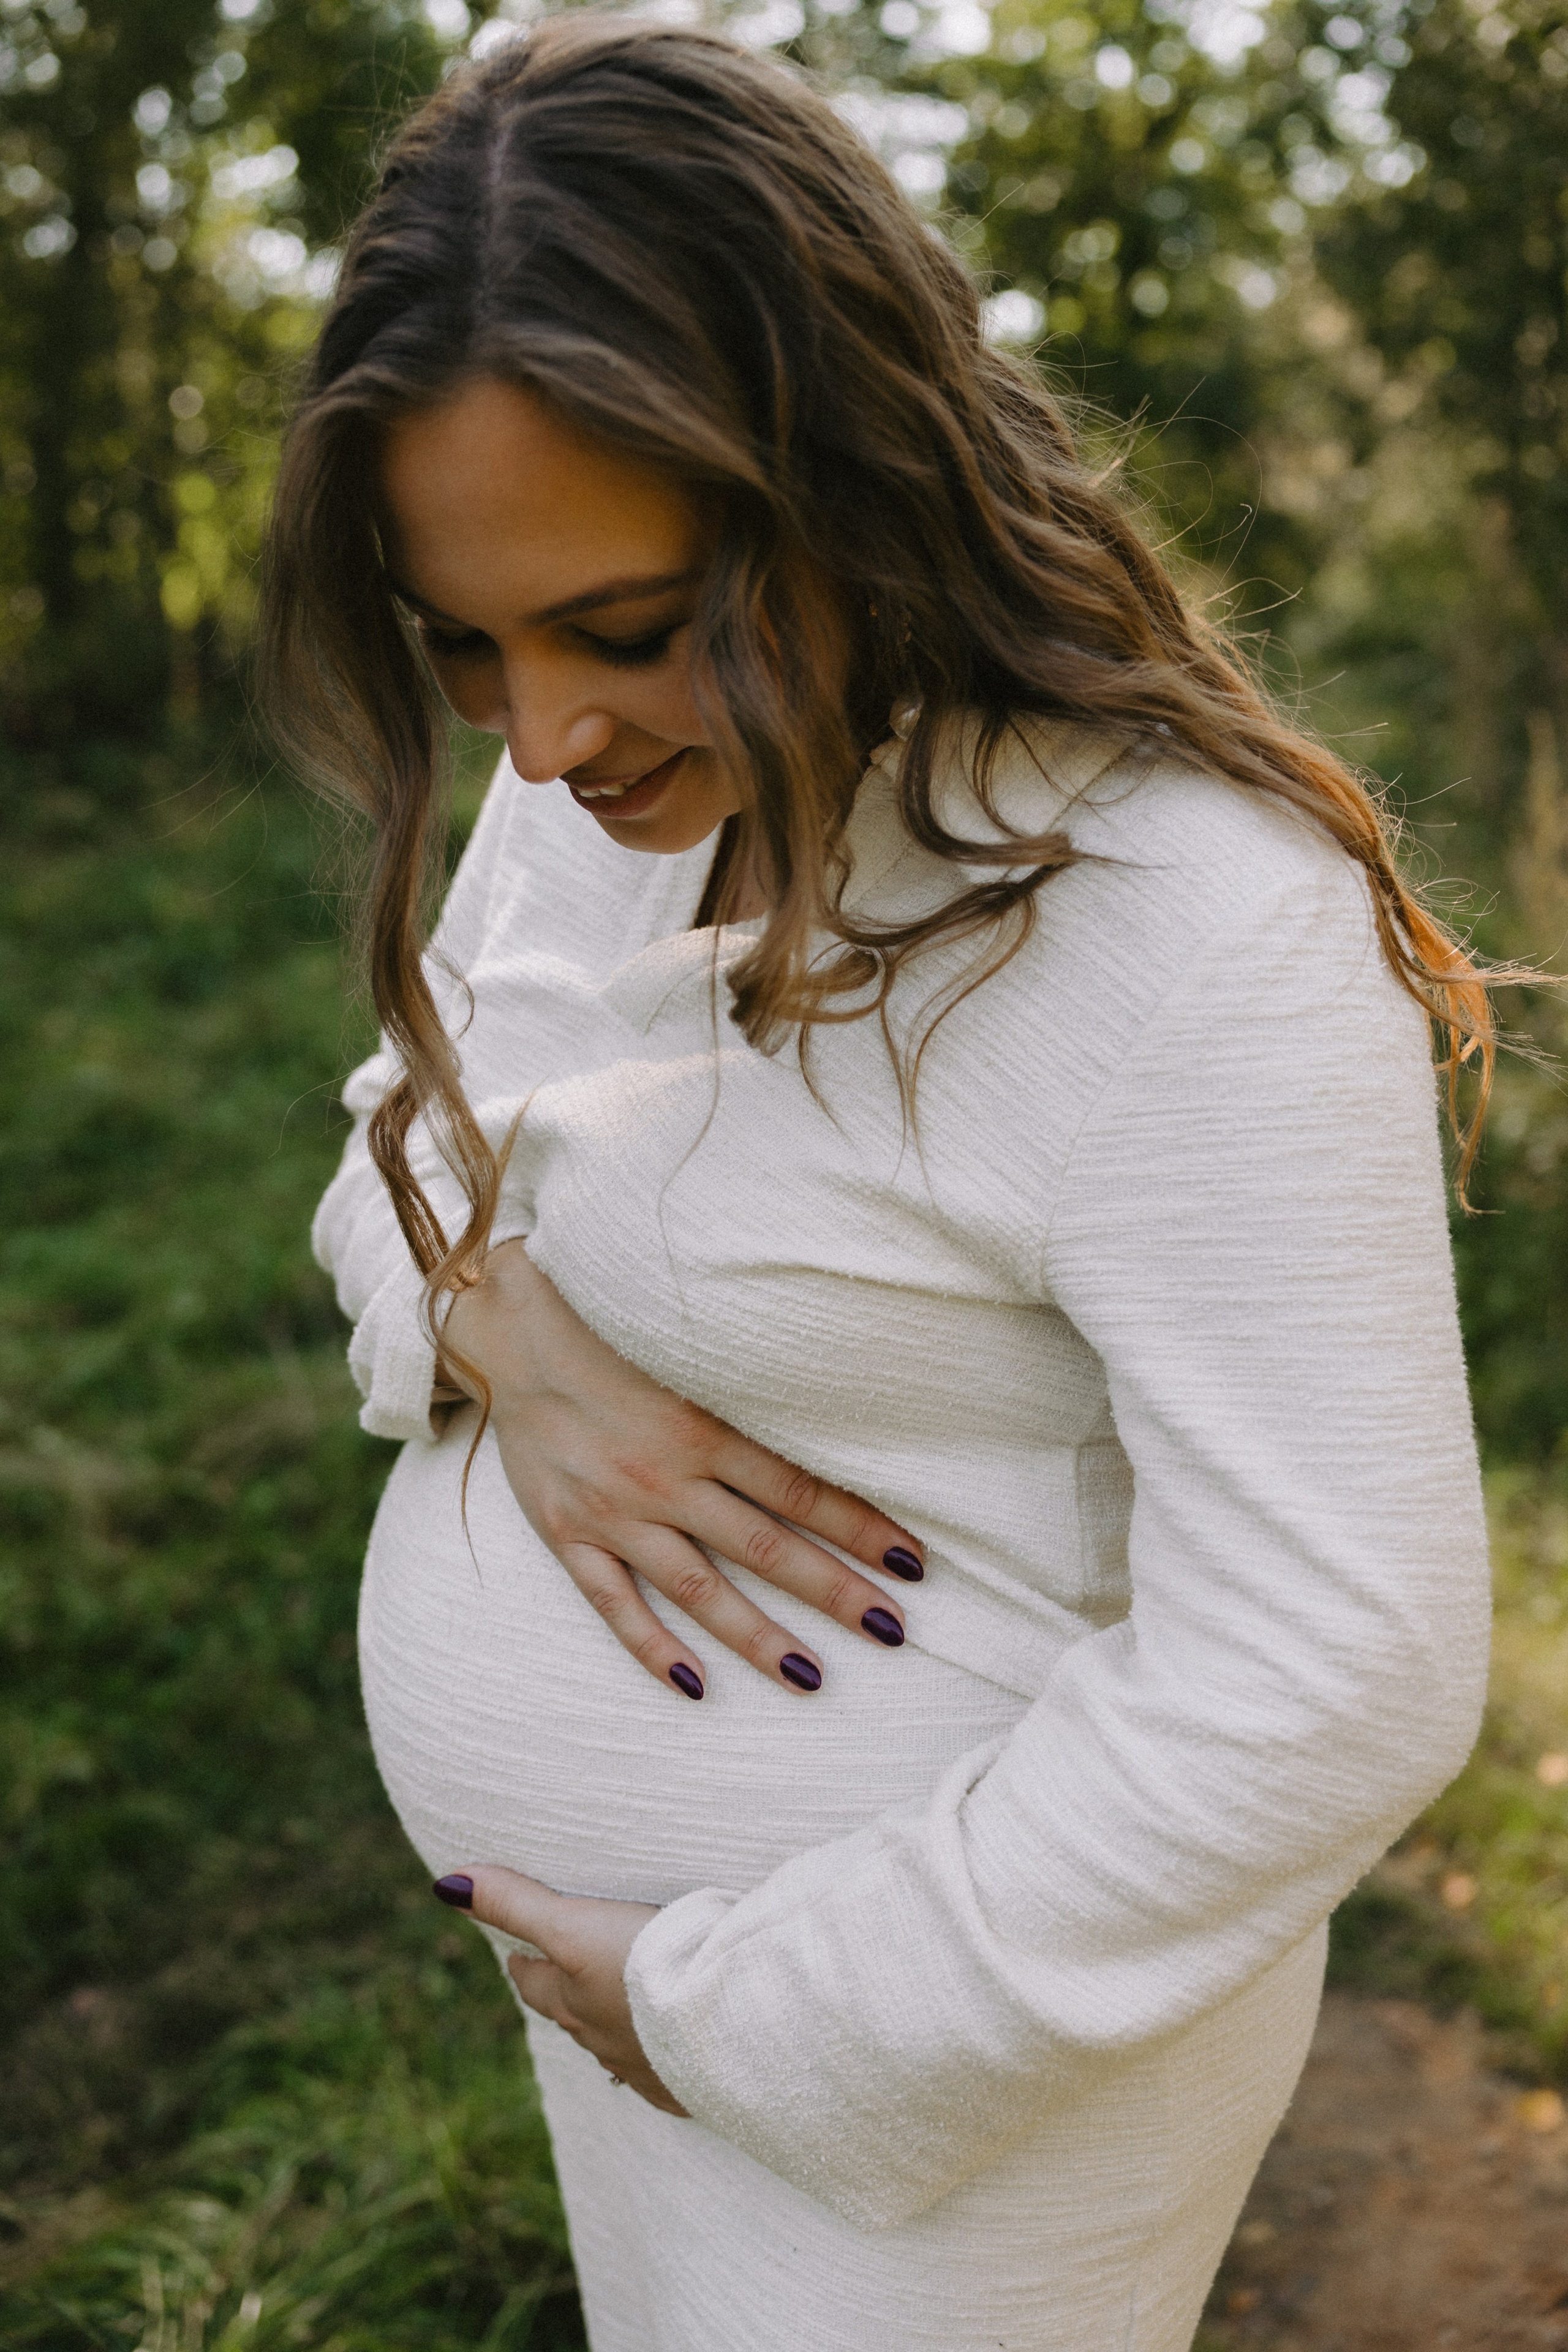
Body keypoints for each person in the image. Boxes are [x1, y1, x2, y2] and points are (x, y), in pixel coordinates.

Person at [262, 20, 1493, 2350]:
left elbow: (1343, 1667)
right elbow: (385, 1169)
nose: (541, 739)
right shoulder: (588, 807)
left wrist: (754, 2006)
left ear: (859, 479)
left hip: (951, 2080)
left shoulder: (1181, 917)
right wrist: (506, 1345)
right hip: (628, 2022)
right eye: (467, 650)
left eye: (625, 630)